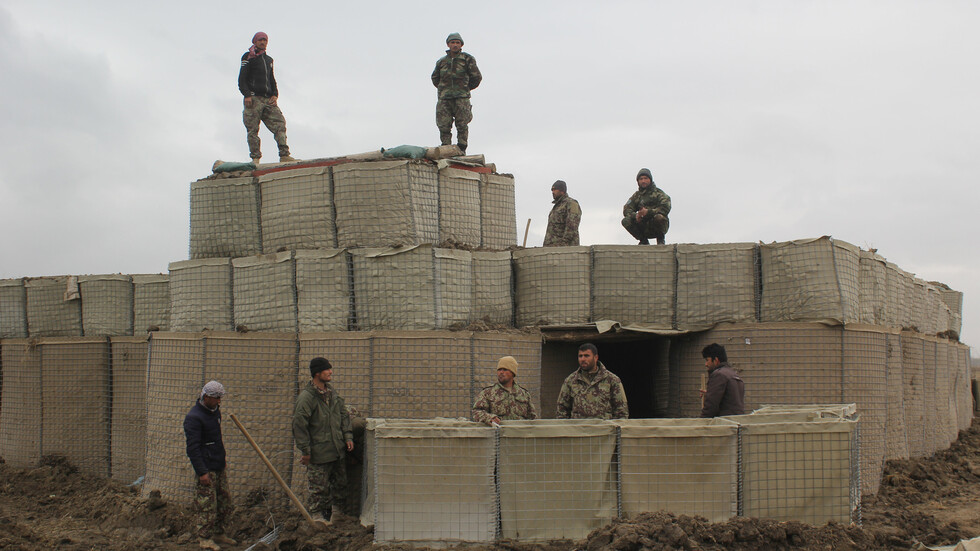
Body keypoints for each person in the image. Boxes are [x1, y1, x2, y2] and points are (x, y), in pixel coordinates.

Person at [293, 357, 354, 526]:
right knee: (319, 488)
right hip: (319, 452)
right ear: (317, 373)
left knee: (340, 484)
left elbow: (343, 415)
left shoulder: (333, 394)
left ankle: (337, 515)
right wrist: (305, 451)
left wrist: (347, 436)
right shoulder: (307, 398)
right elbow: (299, 425)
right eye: (327, 369)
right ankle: (318, 518)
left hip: (336, 449)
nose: (331, 372)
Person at [183, 381, 236, 551]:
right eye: (216, 398)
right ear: (206, 397)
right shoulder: (194, 418)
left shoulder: (214, 412)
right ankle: (204, 538)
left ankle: (219, 533)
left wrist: (221, 461)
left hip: (218, 465)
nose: (219, 401)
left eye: (220, 398)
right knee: (207, 505)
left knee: (224, 501)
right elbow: (193, 448)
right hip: (206, 468)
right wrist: (202, 472)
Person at [239, 32, 295, 165]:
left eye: (265, 40)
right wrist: (247, 94)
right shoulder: (248, 57)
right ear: (255, 41)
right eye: (260, 40)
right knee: (252, 129)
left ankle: (284, 154)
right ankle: (255, 159)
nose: (263, 42)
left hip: (267, 99)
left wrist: (275, 94)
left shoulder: (268, 60)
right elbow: (242, 79)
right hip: (253, 99)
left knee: (280, 123)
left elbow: (271, 79)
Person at [431, 32, 482, 154]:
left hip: (461, 97)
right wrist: (444, 89)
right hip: (445, 98)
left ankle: (461, 148)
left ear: (461, 45)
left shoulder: (467, 59)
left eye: (457, 43)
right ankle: (446, 148)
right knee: (443, 124)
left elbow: (476, 77)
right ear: (448, 44)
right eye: (452, 42)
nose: (455, 45)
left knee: (462, 124)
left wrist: (465, 88)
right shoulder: (441, 62)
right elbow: (435, 78)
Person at [556, 343, 629, 419]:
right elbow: (562, 409)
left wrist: (614, 429)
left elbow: (621, 411)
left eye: (586, 356)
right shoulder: (570, 380)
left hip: (603, 429)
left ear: (596, 357)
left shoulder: (611, 380)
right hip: (579, 429)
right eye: (580, 356)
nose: (583, 359)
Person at [471, 356, 538, 425]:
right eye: (499, 369)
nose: (501, 372)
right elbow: (476, 411)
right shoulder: (488, 393)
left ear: (513, 373)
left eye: (505, 369)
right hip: (498, 434)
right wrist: (490, 418)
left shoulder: (524, 394)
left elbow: (533, 419)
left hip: (519, 434)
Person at [622, 168, 671, 245]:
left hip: (656, 224)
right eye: (641, 179)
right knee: (626, 220)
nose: (643, 181)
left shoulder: (658, 193)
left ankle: (660, 239)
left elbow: (665, 208)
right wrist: (636, 215)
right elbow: (627, 209)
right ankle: (643, 240)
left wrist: (648, 212)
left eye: (646, 178)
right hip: (643, 225)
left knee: (659, 217)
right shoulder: (636, 196)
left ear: (650, 180)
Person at [699, 343, 745, 417]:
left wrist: (702, 423)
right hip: (736, 421)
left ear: (716, 360)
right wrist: (709, 393)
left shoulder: (719, 375)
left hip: (723, 423)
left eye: (707, 360)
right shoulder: (733, 374)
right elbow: (729, 400)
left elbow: (711, 405)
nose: (706, 364)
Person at [543, 180, 582, 247]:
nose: (552, 192)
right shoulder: (556, 207)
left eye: (555, 189)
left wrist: (563, 244)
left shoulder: (572, 203)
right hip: (552, 249)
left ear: (562, 191)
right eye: (552, 190)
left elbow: (572, 227)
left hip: (565, 250)